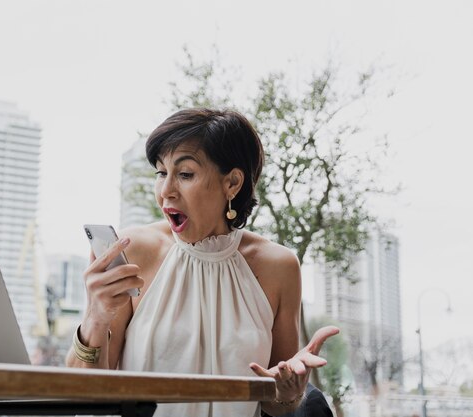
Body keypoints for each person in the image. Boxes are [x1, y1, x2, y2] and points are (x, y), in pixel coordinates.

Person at [66, 108, 339, 416]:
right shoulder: (134, 251)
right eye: (160, 173)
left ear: (232, 183)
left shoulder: (280, 266)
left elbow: (276, 404)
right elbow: (85, 396)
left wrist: (290, 394)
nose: (166, 191)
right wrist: (95, 318)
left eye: (185, 174)